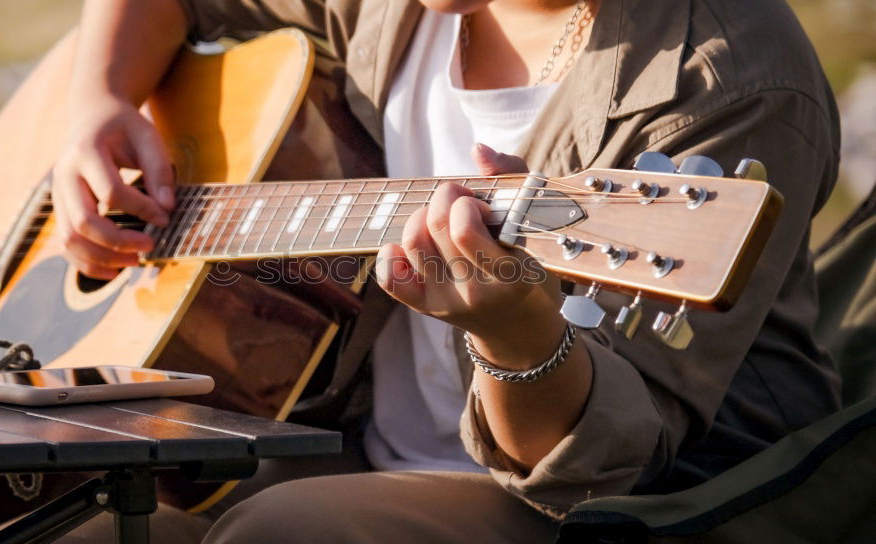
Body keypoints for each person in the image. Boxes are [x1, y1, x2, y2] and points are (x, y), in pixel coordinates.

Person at [52, 0, 842, 542]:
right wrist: (98, 98)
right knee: (66, 514)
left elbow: (600, 467)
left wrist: (516, 334)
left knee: (284, 533)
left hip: (630, 504)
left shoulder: (726, 78)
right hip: (359, 437)